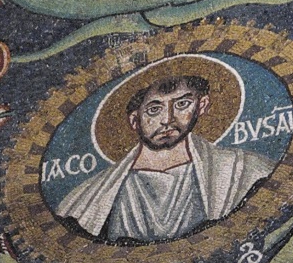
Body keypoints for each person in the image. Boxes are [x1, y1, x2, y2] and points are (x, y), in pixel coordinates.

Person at [58, 72, 275, 242]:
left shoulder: (242, 170)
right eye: (154, 109)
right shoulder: (88, 198)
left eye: (182, 104)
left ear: (201, 106)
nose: (167, 119)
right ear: (134, 120)